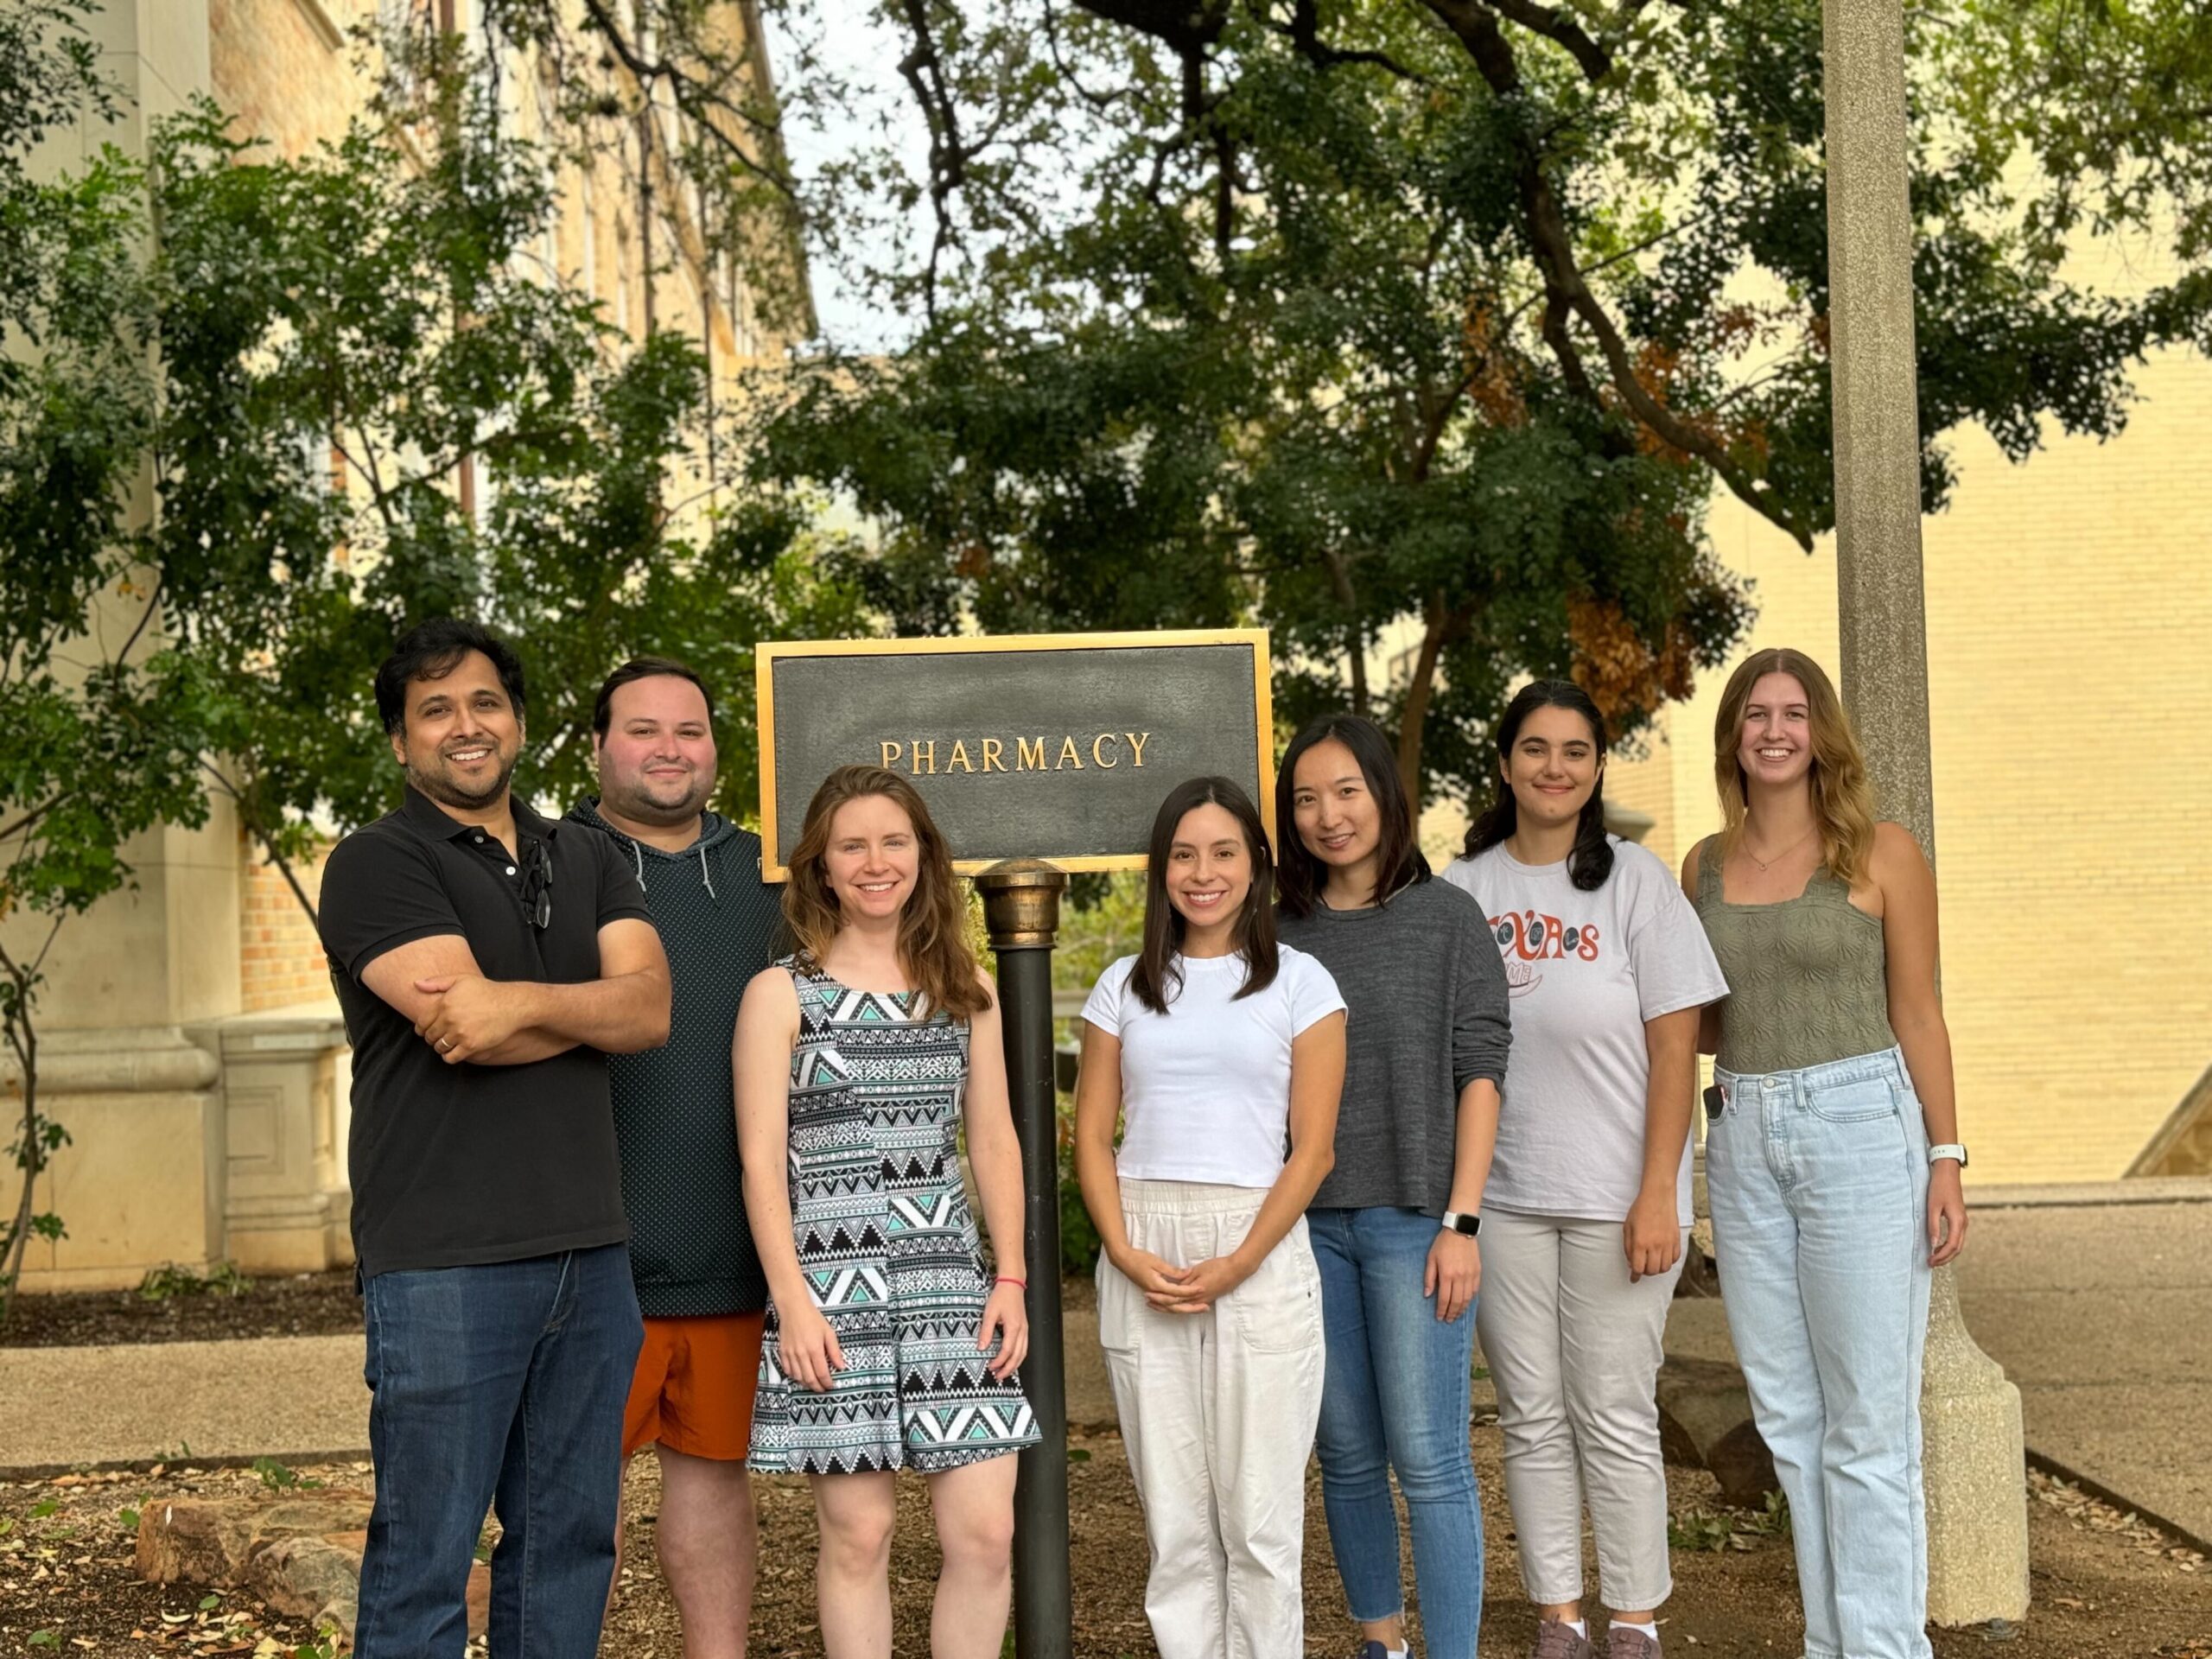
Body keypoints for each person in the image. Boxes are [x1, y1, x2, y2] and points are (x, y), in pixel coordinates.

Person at [315, 618, 671, 1658]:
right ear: (400, 742)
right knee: (425, 1555)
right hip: (442, 1263)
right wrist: (570, 1005)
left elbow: (649, 1013)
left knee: (570, 1546)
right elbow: (460, 1028)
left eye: (483, 703)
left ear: (515, 721)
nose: (463, 727)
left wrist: (514, 1005)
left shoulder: (590, 853)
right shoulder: (375, 863)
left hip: (590, 1255)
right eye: (434, 711)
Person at [1681, 647, 1969, 1659]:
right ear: (1733, 735)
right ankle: (1828, 1643)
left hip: (1859, 1126)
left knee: (1866, 1425)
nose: (1773, 730)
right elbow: (1707, 1025)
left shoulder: (1881, 852)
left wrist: (1945, 1154)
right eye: (1755, 713)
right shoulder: (1702, 868)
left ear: (1820, 732)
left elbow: (1919, 1013)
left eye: (1792, 713)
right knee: (1790, 1422)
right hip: (1745, 1132)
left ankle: (1887, 1648)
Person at [1442, 682, 1728, 1659]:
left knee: (1611, 1408)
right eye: (1535, 748)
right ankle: (1558, 1612)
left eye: (1574, 750)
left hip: (1618, 1200)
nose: (1554, 767)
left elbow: (1675, 1043)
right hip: (1505, 1199)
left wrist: (1662, 1191)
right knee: (1529, 1411)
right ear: (1505, 763)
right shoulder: (1466, 888)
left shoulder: (1637, 882)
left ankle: (1636, 1616)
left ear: (1598, 767)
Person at [733, 764, 1035, 1659]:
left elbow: (995, 1141)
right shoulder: (779, 995)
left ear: (922, 856)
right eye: (852, 845)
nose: (875, 862)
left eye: (893, 841)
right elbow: (758, 1165)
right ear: (821, 867)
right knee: (858, 1537)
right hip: (832, 1295)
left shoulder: (962, 988)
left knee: (985, 1535)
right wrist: (791, 1301)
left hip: (951, 1286)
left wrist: (1010, 1275)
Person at [1075, 775, 1348, 1659]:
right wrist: (1121, 1250)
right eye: (1183, 855)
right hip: (1143, 1241)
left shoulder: (1302, 984)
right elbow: (1091, 1141)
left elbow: (1311, 1152)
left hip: (1257, 1245)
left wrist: (1237, 1264)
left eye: (1223, 852)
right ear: (1161, 871)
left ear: (1256, 865)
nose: (1203, 873)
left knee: (1260, 1524)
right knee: (1179, 1525)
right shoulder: (1123, 986)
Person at [1274, 715, 1510, 1659]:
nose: (1328, 815)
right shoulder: (1276, 930)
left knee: (1433, 1459)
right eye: (1305, 798)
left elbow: (1481, 1071)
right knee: (1345, 1455)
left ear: (1384, 796)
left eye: (1346, 792)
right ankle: (1382, 1644)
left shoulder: (1446, 917)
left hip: (1417, 1223)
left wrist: (1463, 1219)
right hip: (1307, 1230)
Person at [567, 658, 783, 1658]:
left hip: (732, 1245)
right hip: (587, 1252)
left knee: (711, 1479)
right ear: (599, 744)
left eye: (688, 731)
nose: (667, 749)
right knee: (574, 1500)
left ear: (714, 750)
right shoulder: (552, 863)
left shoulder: (767, 872)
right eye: (643, 729)